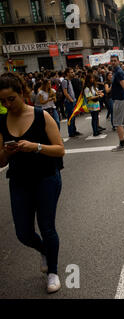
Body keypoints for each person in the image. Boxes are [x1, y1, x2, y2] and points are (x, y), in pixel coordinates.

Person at [0, 72, 65, 294]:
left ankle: (53, 272)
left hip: (47, 178)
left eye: (11, 99)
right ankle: (44, 250)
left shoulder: (41, 116)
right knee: (23, 233)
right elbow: (0, 162)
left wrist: (35, 146)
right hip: (19, 181)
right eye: (2, 101)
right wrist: (6, 153)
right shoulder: (1, 121)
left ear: (22, 93)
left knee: (47, 227)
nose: (7, 105)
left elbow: (60, 150)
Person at [62, 68, 81, 137]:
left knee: (73, 117)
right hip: (69, 102)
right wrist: (71, 100)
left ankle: (74, 130)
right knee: (70, 117)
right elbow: (65, 93)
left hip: (73, 100)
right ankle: (71, 133)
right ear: (67, 73)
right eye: (71, 72)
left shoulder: (69, 81)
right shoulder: (65, 81)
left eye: (73, 72)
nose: (73, 73)